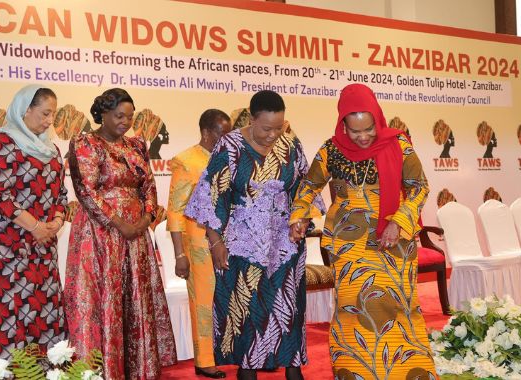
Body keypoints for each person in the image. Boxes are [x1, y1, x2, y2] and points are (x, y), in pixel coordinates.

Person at [289, 83, 437, 379]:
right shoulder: (331, 150)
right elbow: (308, 186)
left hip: (393, 239)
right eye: (355, 131)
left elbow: (419, 188)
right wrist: (299, 215)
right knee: (353, 307)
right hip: (348, 242)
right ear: (342, 123)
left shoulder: (399, 144)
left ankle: (407, 370)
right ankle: (357, 371)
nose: (363, 136)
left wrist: (399, 220)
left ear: (378, 119)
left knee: (396, 306)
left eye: (368, 128)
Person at [185, 90, 322, 380]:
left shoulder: (291, 144)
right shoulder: (230, 146)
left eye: (279, 127)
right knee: (247, 312)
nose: (273, 135)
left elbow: (305, 190)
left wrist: (301, 218)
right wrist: (216, 242)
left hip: (285, 244)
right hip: (243, 244)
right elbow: (212, 197)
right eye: (266, 128)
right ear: (251, 118)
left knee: (289, 310)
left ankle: (293, 369)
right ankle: (247, 372)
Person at [64, 88, 176, 379]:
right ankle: (103, 370)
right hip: (101, 233)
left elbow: (148, 186)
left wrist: (147, 217)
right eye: (119, 116)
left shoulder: (137, 145)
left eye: (130, 116)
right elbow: (85, 190)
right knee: (105, 298)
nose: (126, 121)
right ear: (102, 113)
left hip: (136, 233)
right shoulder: (86, 143)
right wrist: (119, 223)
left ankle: (137, 367)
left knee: (135, 296)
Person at [0, 85, 67, 363]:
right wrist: (36, 227)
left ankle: (45, 371)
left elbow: (61, 194)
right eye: (45, 113)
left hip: (42, 247)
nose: (48, 121)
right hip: (4, 246)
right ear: (25, 110)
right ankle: (3, 370)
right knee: (7, 314)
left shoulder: (52, 150)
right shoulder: (1, 142)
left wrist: (56, 222)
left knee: (42, 311)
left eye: (52, 115)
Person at [166, 109, 232, 379]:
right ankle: (204, 360)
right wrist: (180, 253)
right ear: (206, 133)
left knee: (232, 300)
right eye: (221, 134)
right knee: (203, 302)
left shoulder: (230, 158)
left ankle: (235, 353)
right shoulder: (186, 161)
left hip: (231, 242)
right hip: (199, 243)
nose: (226, 139)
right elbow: (175, 210)